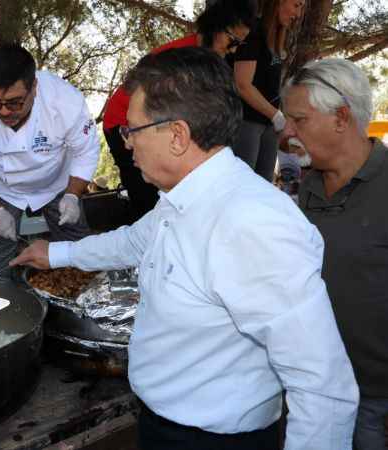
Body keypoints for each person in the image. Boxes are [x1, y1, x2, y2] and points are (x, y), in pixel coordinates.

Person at [11, 47, 358, 450]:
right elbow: (132, 241)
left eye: (132, 130)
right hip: (164, 425)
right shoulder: (183, 200)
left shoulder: (251, 223)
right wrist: (53, 255)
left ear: (176, 135)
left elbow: (323, 388)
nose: (126, 145)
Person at [281, 58, 388, 450]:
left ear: (341, 118)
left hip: (373, 402)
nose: (288, 132)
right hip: (309, 387)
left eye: (299, 120)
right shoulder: (304, 190)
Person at [0, 43, 100, 276]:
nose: (3, 111)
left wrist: (72, 195)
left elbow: (86, 152)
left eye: (14, 102)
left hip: (57, 184)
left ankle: (86, 293)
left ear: (34, 88)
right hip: (2, 188)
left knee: (76, 241)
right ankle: (3, 303)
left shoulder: (65, 101)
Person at [102, 0, 255, 223]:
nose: (233, 50)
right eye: (232, 41)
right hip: (124, 123)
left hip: (152, 122)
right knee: (147, 201)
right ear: (216, 26)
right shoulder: (184, 55)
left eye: (239, 45)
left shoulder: (204, 57)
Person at [233, 0, 304, 181]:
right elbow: (242, 84)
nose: (298, 14)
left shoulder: (277, 37)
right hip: (247, 122)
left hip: (269, 126)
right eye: (296, 5)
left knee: (264, 184)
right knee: (243, 184)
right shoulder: (254, 33)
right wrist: (276, 116)